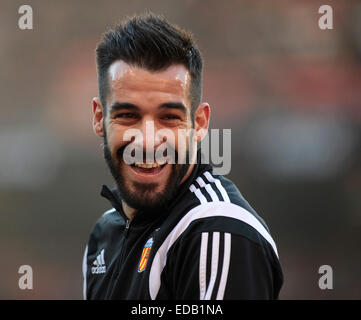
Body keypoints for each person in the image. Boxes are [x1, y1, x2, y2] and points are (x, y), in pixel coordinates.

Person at [83, 13, 283, 300]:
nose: (148, 140)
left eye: (169, 117)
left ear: (199, 123)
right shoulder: (102, 236)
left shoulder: (218, 230)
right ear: (99, 118)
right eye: (128, 115)